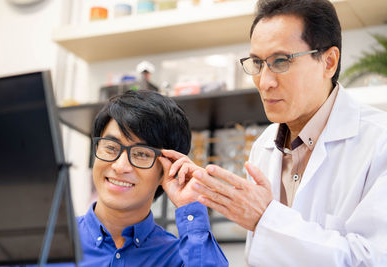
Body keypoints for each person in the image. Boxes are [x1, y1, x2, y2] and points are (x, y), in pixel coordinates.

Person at [164, 0, 387, 266]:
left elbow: (372, 259)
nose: (265, 82)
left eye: (281, 61)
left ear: (329, 61)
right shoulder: (264, 146)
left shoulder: (379, 142)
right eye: (257, 63)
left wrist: (265, 218)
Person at [42, 90, 228, 266]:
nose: (120, 166)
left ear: (167, 170)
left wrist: (190, 205)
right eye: (111, 147)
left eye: (141, 154)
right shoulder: (45, 244)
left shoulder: (179, 258)